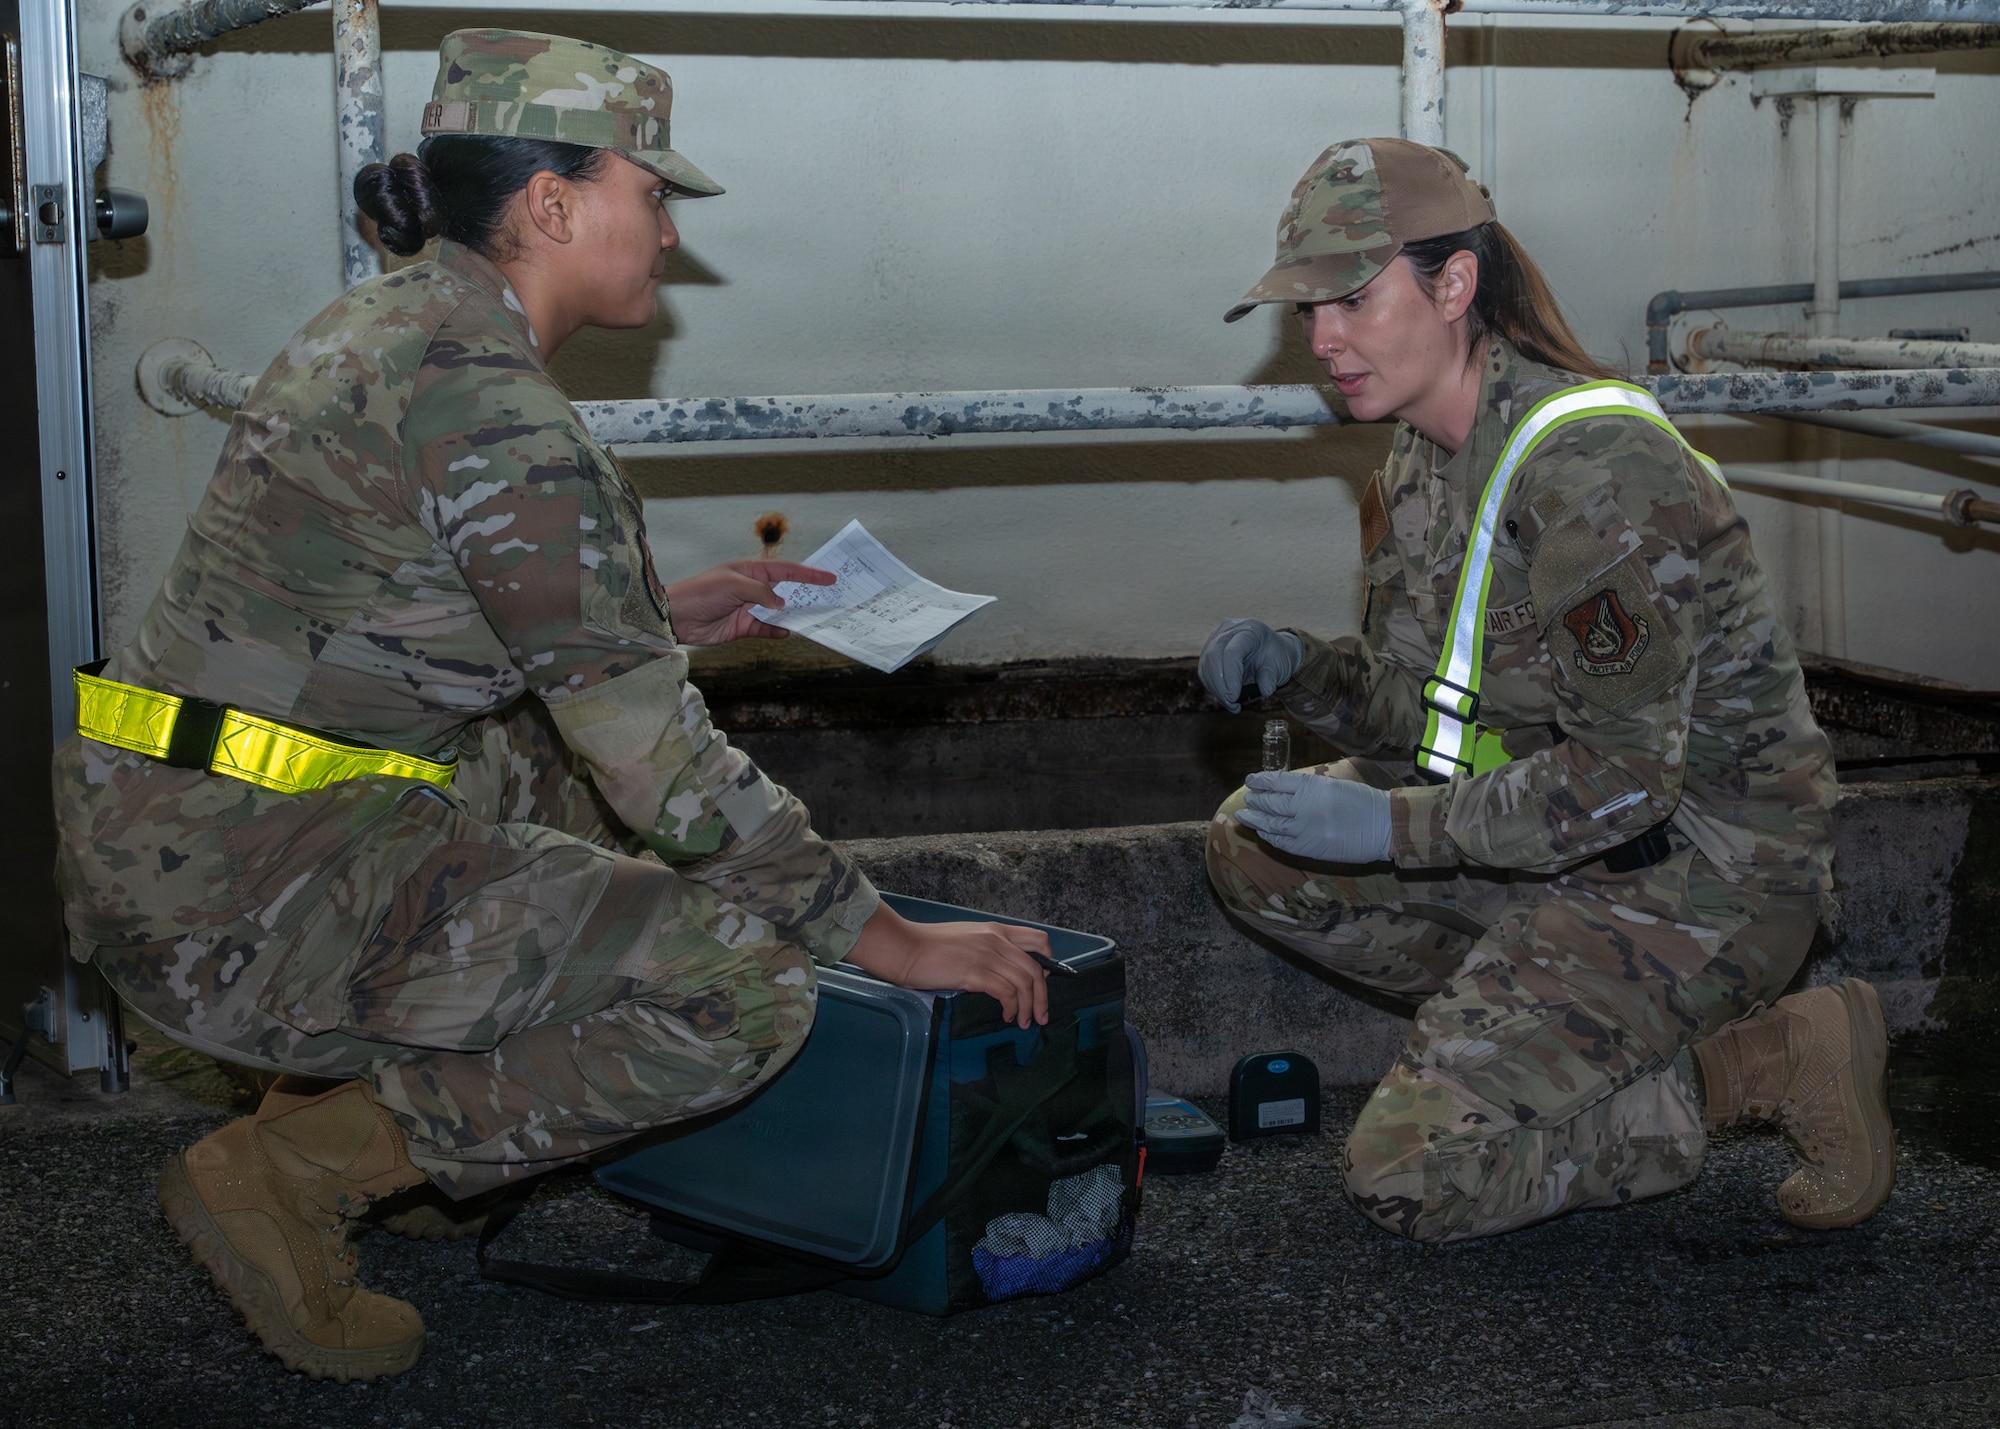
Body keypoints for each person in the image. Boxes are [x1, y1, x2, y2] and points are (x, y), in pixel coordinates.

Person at [52, 29, 1054, 1383]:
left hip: (182, 821)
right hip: (238, 896)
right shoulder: (500, 414)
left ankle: (363, 1093)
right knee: (741, 982)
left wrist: (653, 614)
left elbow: (429, 611)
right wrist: (879, 935)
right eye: (653, 192)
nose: (670, 232)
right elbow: (668, 773)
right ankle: (295, 1169)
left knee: (554, 773)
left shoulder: (401, 325)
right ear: (552, 205)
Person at [1199, 138, 1893, 1245]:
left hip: (1700, 875)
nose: (1320, 339)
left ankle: (1756, 1059)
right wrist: (1304, 671)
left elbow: (1625, 781)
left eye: (1349, 299)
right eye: (1304, 311)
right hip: (1556, 842)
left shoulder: (1594, 472)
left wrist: (1386, 823)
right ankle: (1537, 1034)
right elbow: (1438, 709)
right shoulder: (1423, 455)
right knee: (1255, 846)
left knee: (1410, 1174)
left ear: (1454, 284)